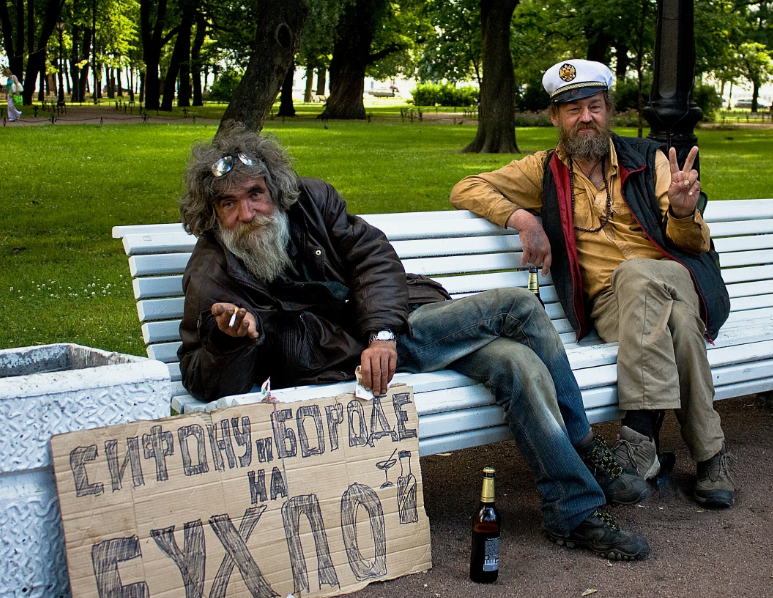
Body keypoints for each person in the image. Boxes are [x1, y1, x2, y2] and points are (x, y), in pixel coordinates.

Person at [177, 124, 651, 560]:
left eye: (255, 194)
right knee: (519, 312)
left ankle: (571, 509)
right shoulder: (212, 272)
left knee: (518, 361)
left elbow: (375, 258)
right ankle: (585, 457)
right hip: (344, 363)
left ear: (273, 190)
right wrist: (229, 340)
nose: (248, 213)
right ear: (212, 212)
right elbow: (207, 384)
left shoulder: (312, 202)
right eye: (228, 204)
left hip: (393, 326)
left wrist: (381, 332)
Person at [450, 59, 735, 509]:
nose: (585, 117)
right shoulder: (543, 171)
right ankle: (711, 455)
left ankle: (640, 436)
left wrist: (682, 210)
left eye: (595, 106)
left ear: (609, 111)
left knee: (642, 273)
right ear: (555, 118)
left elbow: (690, 243)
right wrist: (524, 218)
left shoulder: (649, 159)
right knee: (679, 325)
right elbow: (466, 187)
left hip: (676, 278)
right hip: (611, 307)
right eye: (573, 109)